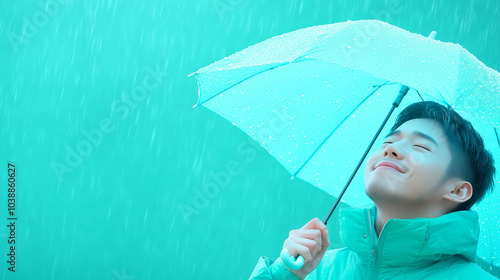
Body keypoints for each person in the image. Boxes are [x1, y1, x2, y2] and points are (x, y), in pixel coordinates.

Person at [249, 101, 499, 279]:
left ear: (457, 191)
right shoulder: (321, 270)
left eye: (421, 147)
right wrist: (285, 273)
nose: (391, 149)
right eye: (389, 141)